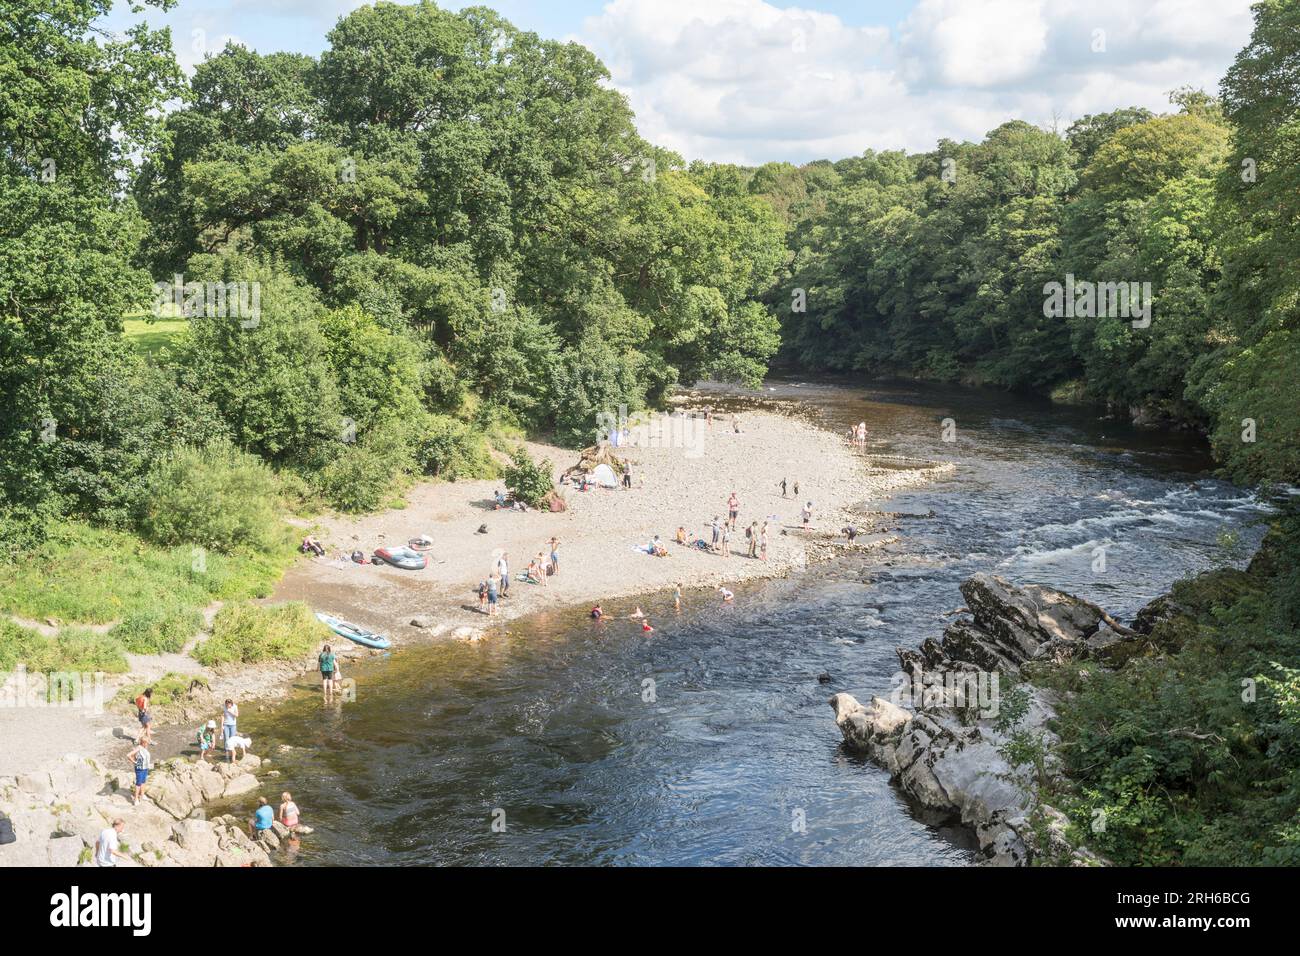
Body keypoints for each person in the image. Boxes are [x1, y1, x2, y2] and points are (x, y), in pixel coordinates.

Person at [127, 738, 151, 805]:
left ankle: (142, 795)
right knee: (138, 784)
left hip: (145, 768)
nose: (148, 744)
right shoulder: (139, 748)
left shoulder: (144, 747)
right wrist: (134, 762)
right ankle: (135, 799)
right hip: (140, 769)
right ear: (143, 742)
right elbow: (128, 755)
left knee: (143, 781)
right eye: (147, 743)